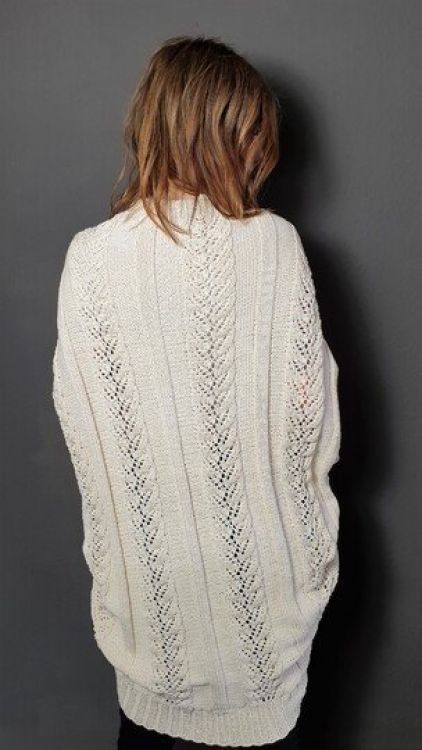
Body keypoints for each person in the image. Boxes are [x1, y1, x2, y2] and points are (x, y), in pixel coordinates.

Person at [52, 35, 341, 749]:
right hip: (267, 620)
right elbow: (314, 436)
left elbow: (86, 442)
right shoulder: (274, 246)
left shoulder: (89, 260)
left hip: (149, 619)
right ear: (236, 136)